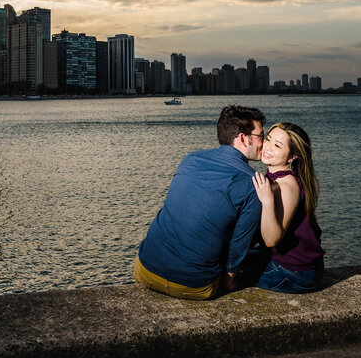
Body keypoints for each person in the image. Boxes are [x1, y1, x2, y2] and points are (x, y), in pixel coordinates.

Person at [134, 106, 266, 299]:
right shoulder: (252, 183)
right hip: (193, 286)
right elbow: (240, 244)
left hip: (144, 271)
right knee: (267, 257)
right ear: (243, 138)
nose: (264, 143)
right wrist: (230, 279)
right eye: (261, 136)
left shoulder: (191, 159)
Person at [250, 122, 325, 293]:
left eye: (277, 145)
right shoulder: (276, 177)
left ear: (292, 157)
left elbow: (271, 239)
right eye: (268, 139)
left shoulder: (285, 185)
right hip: (297, 266)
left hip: (294, 272)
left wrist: (267, 200)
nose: (268, 147)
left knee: (224, 278)